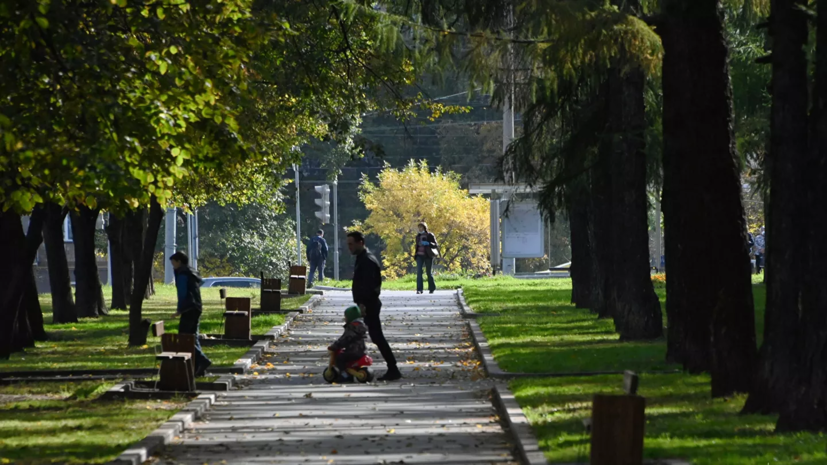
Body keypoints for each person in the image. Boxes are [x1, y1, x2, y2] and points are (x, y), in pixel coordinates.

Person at [347, 231, 401, 381]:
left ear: (361, 242)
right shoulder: (362, 258)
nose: (349, 247)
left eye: (351, 244)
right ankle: (354, 367)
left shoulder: (368, 261)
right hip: (364, 304)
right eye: (348, 244)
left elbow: (371, 286)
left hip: (369, 305)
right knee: (368, 336)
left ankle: (393, 368)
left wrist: (363, 304)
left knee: (377, 337)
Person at [169, 252, 212, 377]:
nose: (172, 266)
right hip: (196, 307)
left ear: (179, 261)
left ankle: (202, 360)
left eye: (173, 263)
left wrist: (179, 310)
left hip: (188, 308)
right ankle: (200, 367)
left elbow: (182, 294)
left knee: (185, 337)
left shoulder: (183, 274)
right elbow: (201, 282)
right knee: (193, 336)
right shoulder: (191, 272)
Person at [327, 305, 368, 381]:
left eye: (345, 317)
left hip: (353, 351)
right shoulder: (361, 326)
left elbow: (345, 339)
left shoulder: (351, 328)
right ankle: (351, 371)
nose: (345, 318)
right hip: (362, 350)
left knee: (339, 359)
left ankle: (345, 375)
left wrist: (335, 346)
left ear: (350, 317)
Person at [412, 222, 439, 295]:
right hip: (419, 255)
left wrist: (428, 243)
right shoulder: (418, 236)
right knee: (419, 272)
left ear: (424, 228)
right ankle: (419, 289)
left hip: (428, 255)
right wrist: (416, 254)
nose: (420, 229)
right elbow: (416, 246)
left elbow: (436, 245)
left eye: (421, 227)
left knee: (428, 272)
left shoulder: (430, 235)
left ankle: (431, 288)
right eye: (419, 227)